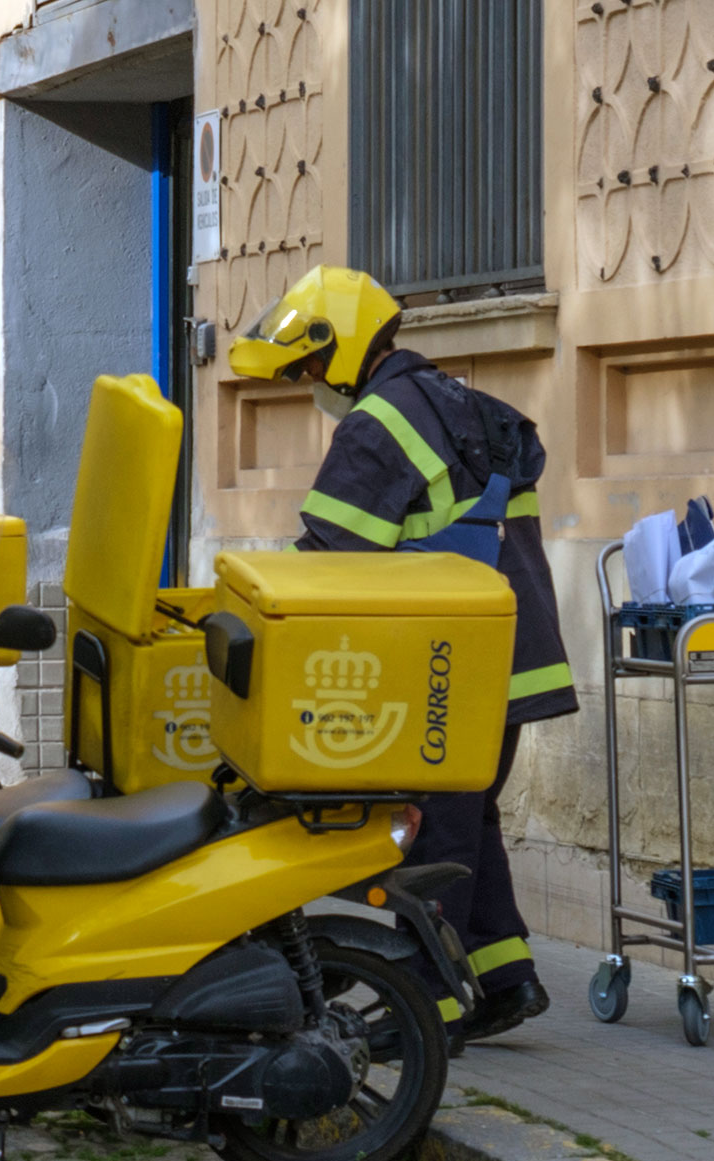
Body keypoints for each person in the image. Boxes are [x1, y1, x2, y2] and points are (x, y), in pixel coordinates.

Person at [228, 265, 578, 1044]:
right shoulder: (450, 401)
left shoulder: (379, 424)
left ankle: (427, 1009)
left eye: (312, 368)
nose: (312, 385)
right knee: (469, 818)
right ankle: (504, 977)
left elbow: (327, 555)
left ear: (344, 348)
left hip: (450, 668)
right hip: (512, 659)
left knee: (426, 833)